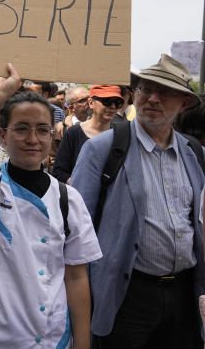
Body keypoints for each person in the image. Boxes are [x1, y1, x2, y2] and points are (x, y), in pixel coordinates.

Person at [0, 65, 101, 348]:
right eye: (21, 129)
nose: (33, 139)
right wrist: (2, 93)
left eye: (42, 130)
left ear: (52, 136)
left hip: (49, 335)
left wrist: (82, 344)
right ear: (2, 135)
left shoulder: (68, 199)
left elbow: (76, 277)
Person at [72, 54, 205, 348]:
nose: (153, 99)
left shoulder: (194, 153)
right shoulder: (102, 149)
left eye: (166, 92)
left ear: (184, 103)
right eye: (146, 89)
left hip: (183, 293)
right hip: (126, 294)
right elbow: (76, 231)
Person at [52, 85, 124, 183]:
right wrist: (80, 184)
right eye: (107, 101)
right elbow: (58, 171)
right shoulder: (74, 133)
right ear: (91, 103)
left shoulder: (121, 134)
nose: (112, 107)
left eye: (118, 103)